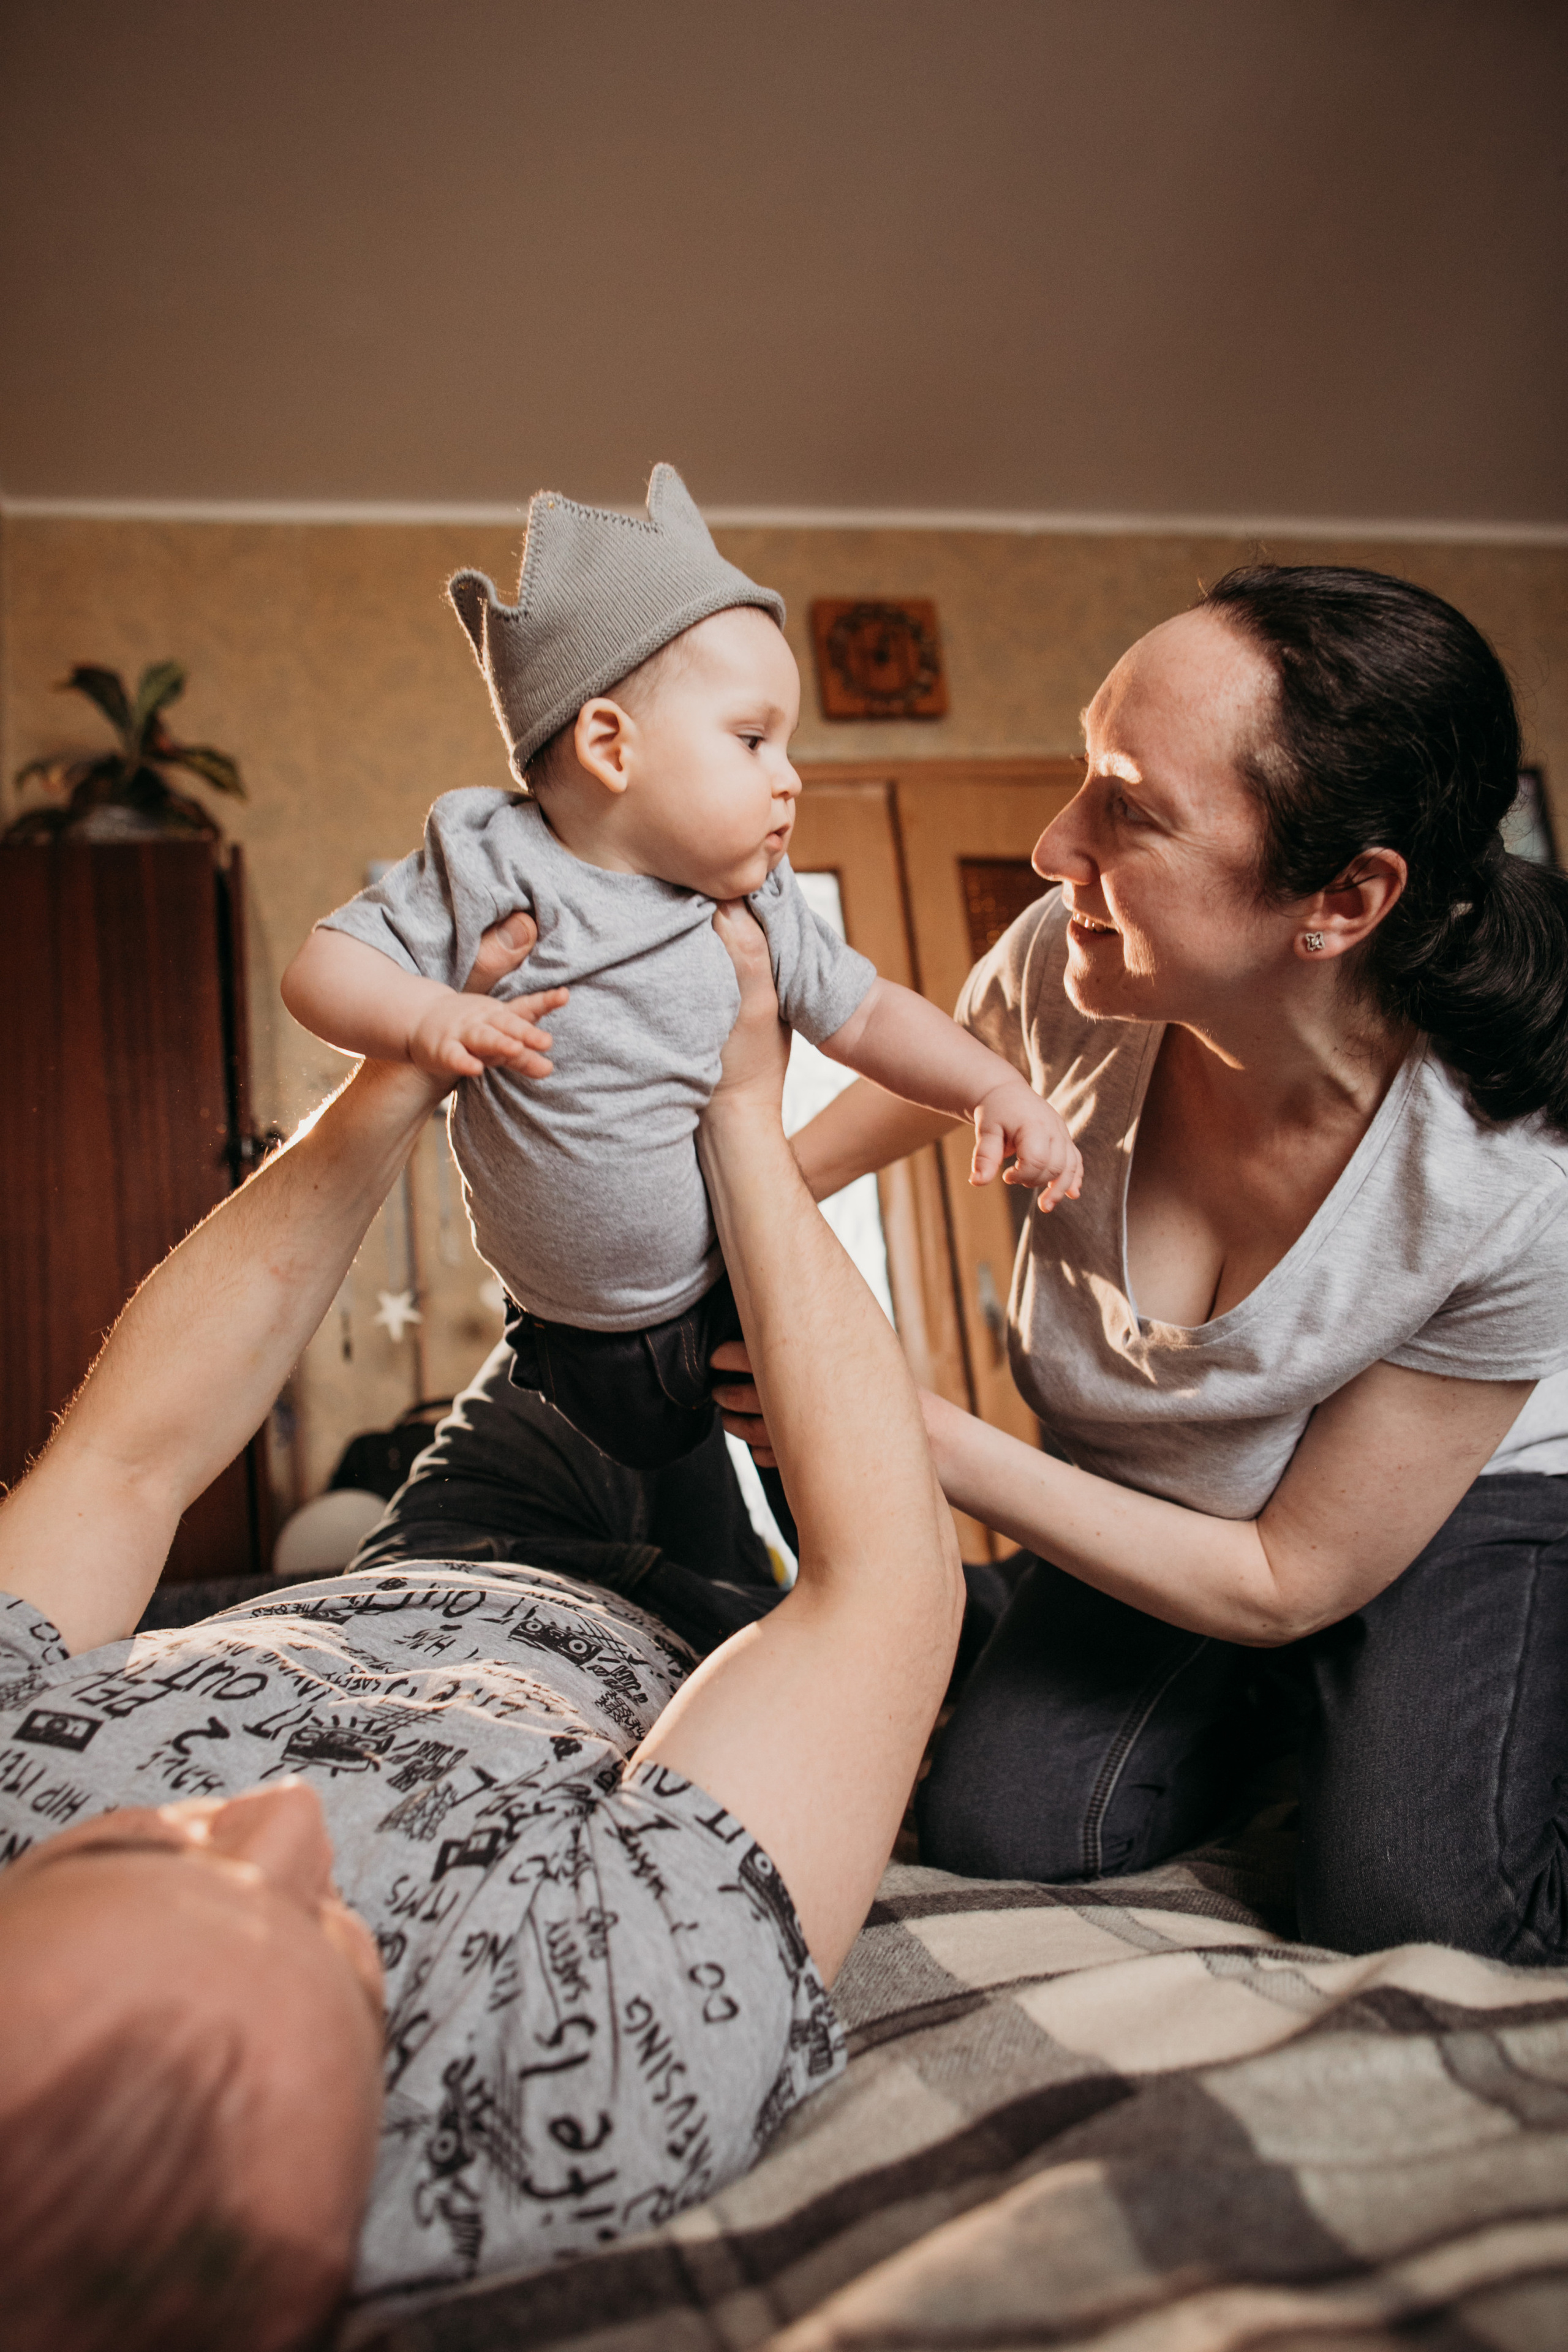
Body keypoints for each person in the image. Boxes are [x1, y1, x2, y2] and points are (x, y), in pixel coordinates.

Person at [0, 904, 963, 2352]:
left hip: (436, 1546)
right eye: (332, 1934)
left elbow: (122, 1463)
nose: (276, 1819)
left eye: (145, 1841)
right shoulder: (565, 2096)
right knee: (712, 1285)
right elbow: (880, 1591)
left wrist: (399, 1074)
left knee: (622, 1300)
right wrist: (747, 1116)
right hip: (685, 1631)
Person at [750, 562, 1568, 1969]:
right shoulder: (1062, 974)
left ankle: (1415, 1682)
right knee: (1004, 1826)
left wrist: (886, 1416)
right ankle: (1301, 1705)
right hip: (1177, 1499)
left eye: (1129, 808)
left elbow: (1285, 1575)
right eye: (1085, 773)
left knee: (1416, 1908)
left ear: (1343, 897)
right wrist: (753, 1196)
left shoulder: (1511, 1188)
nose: (1051, 845)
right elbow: (934, 1086)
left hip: (1457, 1503)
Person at [281, 464, 1079, 1490]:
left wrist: (992, 1088)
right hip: (567, 1338)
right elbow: (322, 970)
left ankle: (850, 1586)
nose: (789, 776)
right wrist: (426, 1015)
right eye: (753, 739)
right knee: (647, 1495)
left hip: (725, 1288)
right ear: (611, 745)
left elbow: (867, 1011)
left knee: (826, 1462)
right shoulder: (489, 858)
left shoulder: (755, 900)